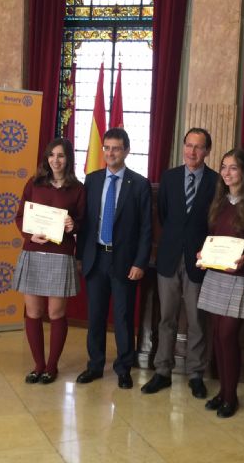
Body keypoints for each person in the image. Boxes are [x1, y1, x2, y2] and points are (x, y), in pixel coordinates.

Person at [141, 128, 218, 398]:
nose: (192, 152)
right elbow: (163, 215)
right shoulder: (170, 178)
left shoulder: (215, 182)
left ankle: (196, 373)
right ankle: (162, 370)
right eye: (188, 145)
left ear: (207, 151)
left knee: (197, 320)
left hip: (198, 261)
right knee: (166, 318)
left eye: (198, 147)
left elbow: (214, 222)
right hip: (169, 258)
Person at [75, 127, 152, 389]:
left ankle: (123, 368)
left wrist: (140, 262)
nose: (110, 153)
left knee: (122, 317)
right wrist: (79, 256)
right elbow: (85, 223)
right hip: (95, 258)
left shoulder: (139, 184)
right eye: (106, 148)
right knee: (95, 316)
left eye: (116, 148)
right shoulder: (92, 180)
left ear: (127, 151)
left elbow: (146, 229)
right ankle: (95, 365)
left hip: (124, 262)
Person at [197, 148, 244, 418]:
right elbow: (212, 236)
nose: (226, 172)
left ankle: (231, 396)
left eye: (233, 167)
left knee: (227, 336)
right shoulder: (219, 201)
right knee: (216, 335)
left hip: (240, 276)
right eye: (223, 167)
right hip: (216, 274)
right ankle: (222, 392)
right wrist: (204, 252)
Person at [13, 138, 85, 384]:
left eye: (61, 155)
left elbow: (84, 222)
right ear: (47, 158)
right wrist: (29, 233)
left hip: (60, 254)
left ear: (68, 160)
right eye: (52, 155)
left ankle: (51, 366)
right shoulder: (34, 184)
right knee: (33, 312)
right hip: (33, 252)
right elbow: (21, 216)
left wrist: (74, 225)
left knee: (56, 313)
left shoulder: (77, 189)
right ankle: (38, 365)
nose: (56, 160)